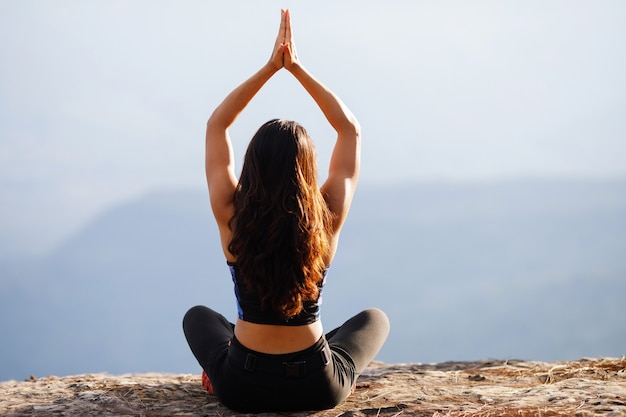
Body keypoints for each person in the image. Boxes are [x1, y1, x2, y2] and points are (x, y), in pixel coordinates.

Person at [183, 9, 389, 412]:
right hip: (315, 385)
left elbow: (217, 126)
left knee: (198, 317)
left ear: (252, 165)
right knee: (373, 319)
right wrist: (296, 69)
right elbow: (350, 130)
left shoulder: (231, 211)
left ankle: (219, 368)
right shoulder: (326, 213)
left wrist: (269, 69)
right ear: (307, 169)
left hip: (241, 384)